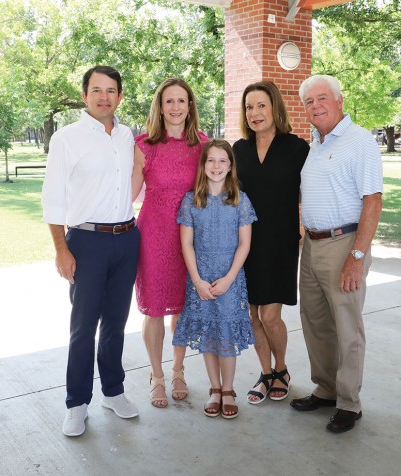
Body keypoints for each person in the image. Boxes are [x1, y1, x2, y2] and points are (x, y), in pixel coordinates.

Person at [41, 66, 140, 437]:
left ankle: (113, 391)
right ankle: (76, 402)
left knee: (115, 323)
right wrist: (61, 249)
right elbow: (52, 199)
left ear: (120, 95)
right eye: (96, 90)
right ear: (84, 96)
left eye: (111, 90)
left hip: (128, 238)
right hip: (86, 241)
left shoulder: (127, 135)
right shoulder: (67, 139)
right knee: (83, 327)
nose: (104, 97)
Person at [291, 74, 383, 434]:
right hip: (312, 246)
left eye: (322, 98)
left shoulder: (360, 142)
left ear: (339, 100)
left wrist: (356, 257)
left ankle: (348, 402)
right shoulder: (316, 143)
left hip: (344, 244)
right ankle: (326, 388)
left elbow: (373, 201)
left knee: (347, 327)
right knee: (315, 322)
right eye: (309, 102)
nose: (316, 106)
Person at [131, 78, 209, 408]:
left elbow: (215, 191)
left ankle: (178, 370)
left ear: (190, 105)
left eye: (182, 100)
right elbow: (129, 195)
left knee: (182, 307)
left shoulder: (203, 144)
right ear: (159, 107)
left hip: (190, 235)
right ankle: (156, 375)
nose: (176, 107)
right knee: (154, 311)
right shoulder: (143, 144)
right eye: (169, 101)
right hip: (153, 233)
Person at [233, 81, 309, 405]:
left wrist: (305, 224)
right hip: (247, 244)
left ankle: (282, 369)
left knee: (270, 315)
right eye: (249, 107)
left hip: (280, 243)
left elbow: (313, 191)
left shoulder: (297, 148)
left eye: (261, 105)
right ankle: (266, 373)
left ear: (275, 108)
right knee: (251, 313)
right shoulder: (239, 150)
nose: (255, 113)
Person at [172, 139, 257, 419]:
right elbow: (187, 243)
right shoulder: (191, 200)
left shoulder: (240, 200)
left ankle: (230, 389)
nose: (216, 166)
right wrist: (197, 280)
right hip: (201, 278)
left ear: (230, 165)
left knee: (226, 336)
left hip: (230, 279)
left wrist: (230, 278)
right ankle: (215, 388)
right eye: (211, 160)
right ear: (203, 165)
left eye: (223, 161)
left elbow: (245, 244)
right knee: (209, 335)